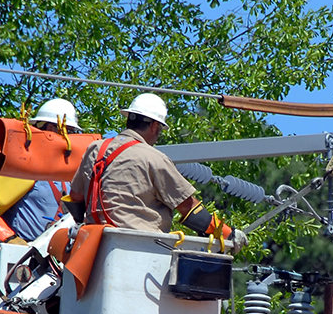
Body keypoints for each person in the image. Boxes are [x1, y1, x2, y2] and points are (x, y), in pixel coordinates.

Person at [68, 93, 245, 249]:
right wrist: (227, 233)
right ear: (153, 126)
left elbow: (75, 198)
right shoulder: (154, 158)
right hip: (140, 250)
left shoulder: (95, 149)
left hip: (91, 249)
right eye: (160, 130)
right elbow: (189, 208)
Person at [0, 98, 81, 245]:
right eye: (69, 131)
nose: (72, 138)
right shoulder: (27, 167)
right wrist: (10, 239)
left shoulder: (69, 175)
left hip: (61, 257)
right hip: (26, 258)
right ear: (51, 129)